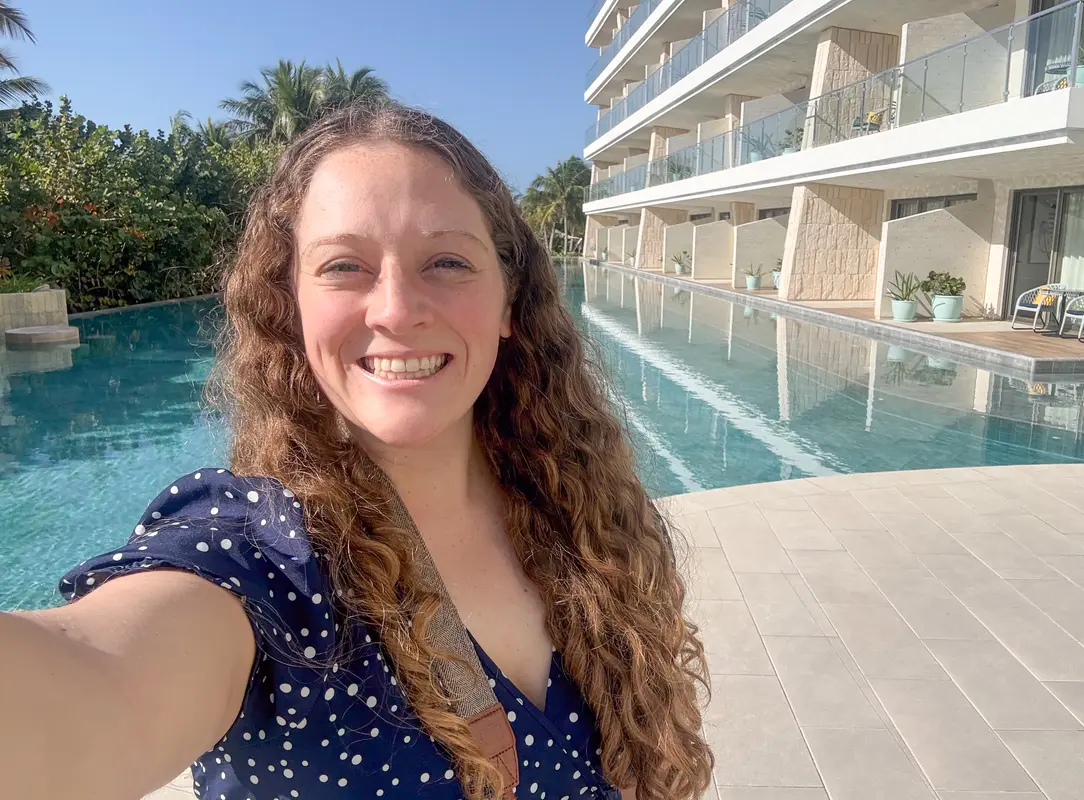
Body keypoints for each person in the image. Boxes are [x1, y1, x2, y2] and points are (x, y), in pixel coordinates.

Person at [0, 101, 713, 800]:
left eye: (446, 261)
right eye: (344, 266)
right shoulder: (263, 561)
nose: (397, 309)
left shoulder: (583, 514)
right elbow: (93, 683)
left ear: (507, 301)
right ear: (290, 303)